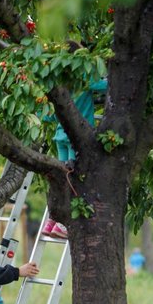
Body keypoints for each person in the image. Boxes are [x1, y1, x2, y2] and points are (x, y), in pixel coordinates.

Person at [42, 41, 108, 239]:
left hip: (60, 136)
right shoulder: (83, 76)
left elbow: (47, 115)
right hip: (75, 137)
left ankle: (52, 221)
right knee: (75, 178)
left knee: (62, 177)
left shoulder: (57, 79)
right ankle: (63, 224)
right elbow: (103, 86)